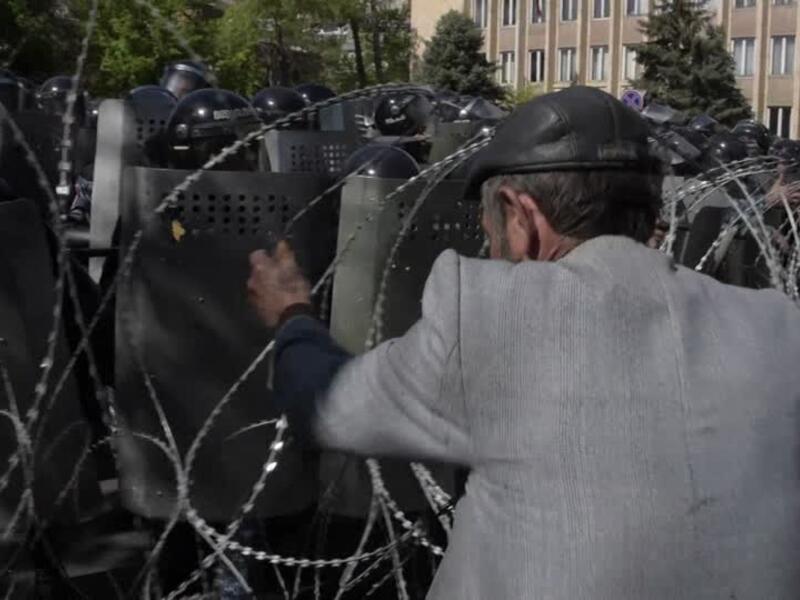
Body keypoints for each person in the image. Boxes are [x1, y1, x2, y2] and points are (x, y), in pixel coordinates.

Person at [247, 86, 800, 599]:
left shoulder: (491, 315)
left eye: (489, 229)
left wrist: (292, 314)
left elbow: (329, 404)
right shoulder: (776, 326)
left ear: (522, 216)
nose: (491, 248)